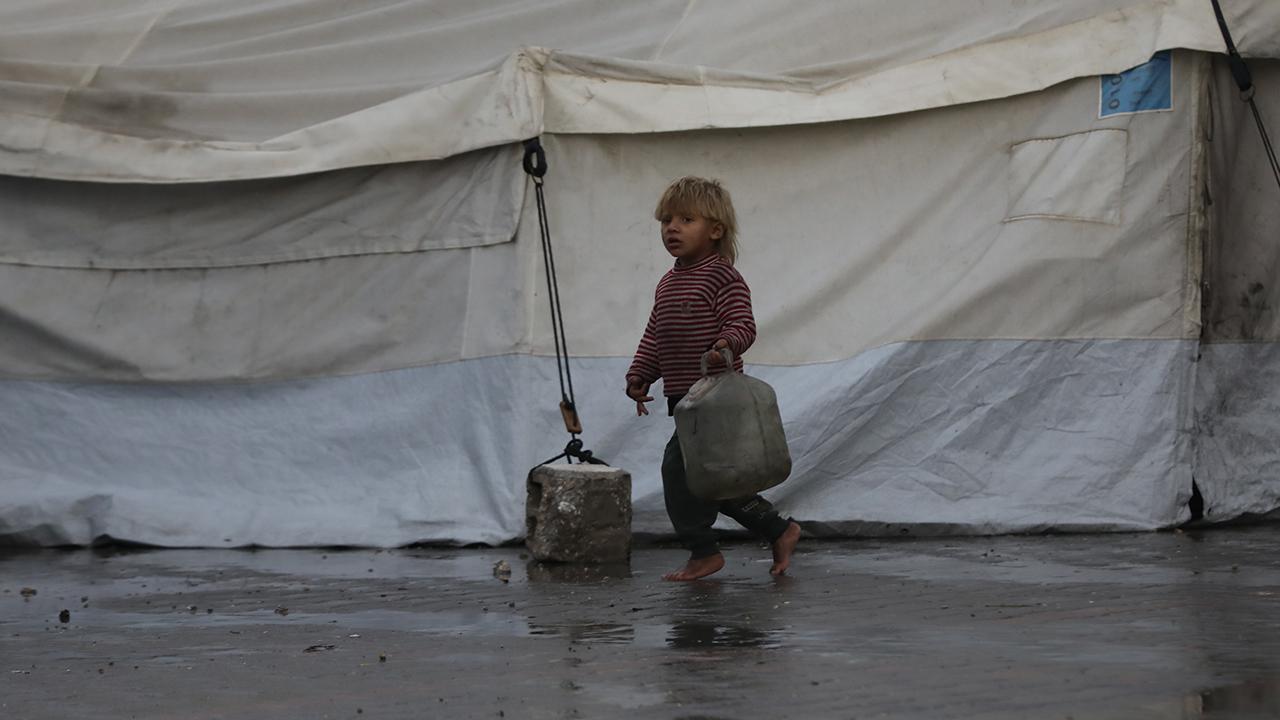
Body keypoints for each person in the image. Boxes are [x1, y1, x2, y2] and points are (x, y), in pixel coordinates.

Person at [625, 176, 801, 581]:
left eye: (686, 219)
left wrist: (725, 343)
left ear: (716, 230)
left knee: (683, 473)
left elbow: (743, 323)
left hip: (718, 400)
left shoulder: (722, 277)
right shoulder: (668, 283)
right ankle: (779, 529)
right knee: (716, 478)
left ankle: (703, 551)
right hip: (684, 403)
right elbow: (656, 334)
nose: (672, 227)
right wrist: (640, 374)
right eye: (666, 220)